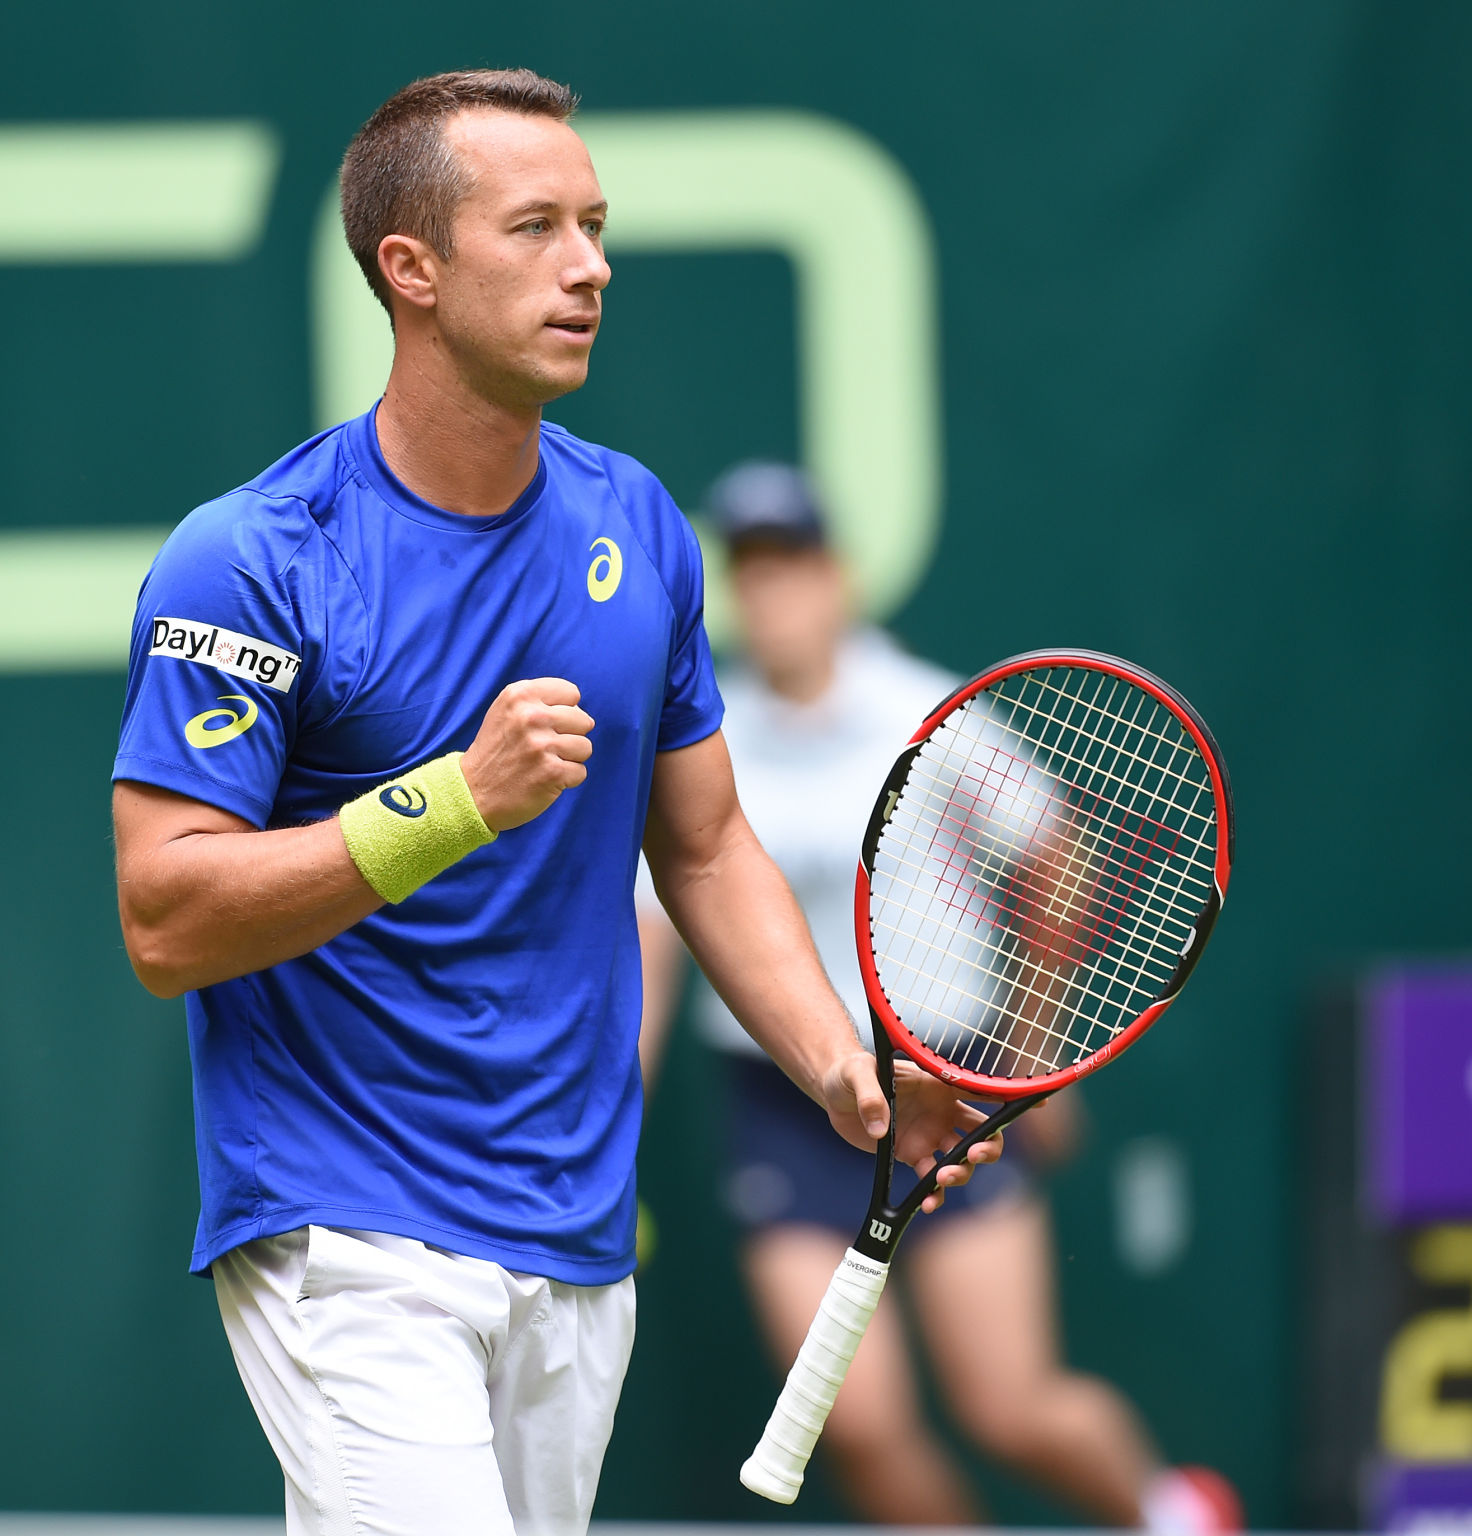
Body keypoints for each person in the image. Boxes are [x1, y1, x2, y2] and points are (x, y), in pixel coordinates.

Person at [109, 71, 1001, 1536]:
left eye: (596, 226)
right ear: (414, 270)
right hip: (347, 1225)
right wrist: (452, 801)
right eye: (536, 228)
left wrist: (841, 1070)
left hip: (573, 1234)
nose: (590, 266)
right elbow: (165, 915)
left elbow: (705, 846)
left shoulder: (637, 527)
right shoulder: (253, 559)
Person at [637, 461, 1243, 1532]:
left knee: (1010, 1409)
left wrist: (1027, 1053)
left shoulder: (923, 713)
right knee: (858, 1428)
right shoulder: (705, 731)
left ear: (839, 580)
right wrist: (606, 1109)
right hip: (778, 1101)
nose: (774, 594)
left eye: (793, 566)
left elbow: (1054, 864)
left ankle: (1169, 1513)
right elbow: (654, 936)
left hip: (945, 1082)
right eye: (751, 573)